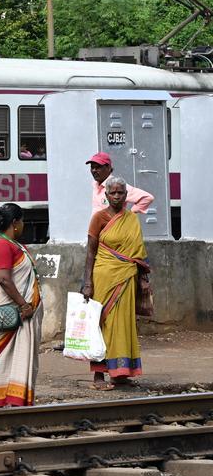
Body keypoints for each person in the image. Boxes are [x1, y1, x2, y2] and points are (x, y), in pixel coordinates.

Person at [83, 177, 150, 391]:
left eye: (121, 193)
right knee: (103, 324)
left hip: (127, 277)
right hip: (103, 276)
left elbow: (138, 254)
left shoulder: (131, 219)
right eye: (113, 193)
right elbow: (90, 252)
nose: (118, 197)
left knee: (124, 325)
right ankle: (99, 377)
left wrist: (143, 279)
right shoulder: (98, 218)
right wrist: (87, 282)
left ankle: (120, 374)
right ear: (106, 195)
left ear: (126, 195)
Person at [0, 203, 42, 407]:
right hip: (13, 308)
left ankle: (15, 399)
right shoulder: (2, 245)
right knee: (5, 355)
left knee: (16, 355)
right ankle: (2, 398)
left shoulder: (14, 244)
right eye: (22, 220)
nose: (24, 224)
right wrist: (24, 305)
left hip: (21, 309)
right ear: (15, 223)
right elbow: (4, 279)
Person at [88, 152, 153, 215]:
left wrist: (129, 214)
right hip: (97, 225)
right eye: (92, 167)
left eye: (98, 167)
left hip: (113, 225)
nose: (94, 170)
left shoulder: (116, 185)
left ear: (108, 168)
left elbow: (147, 197)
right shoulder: (96, 184)